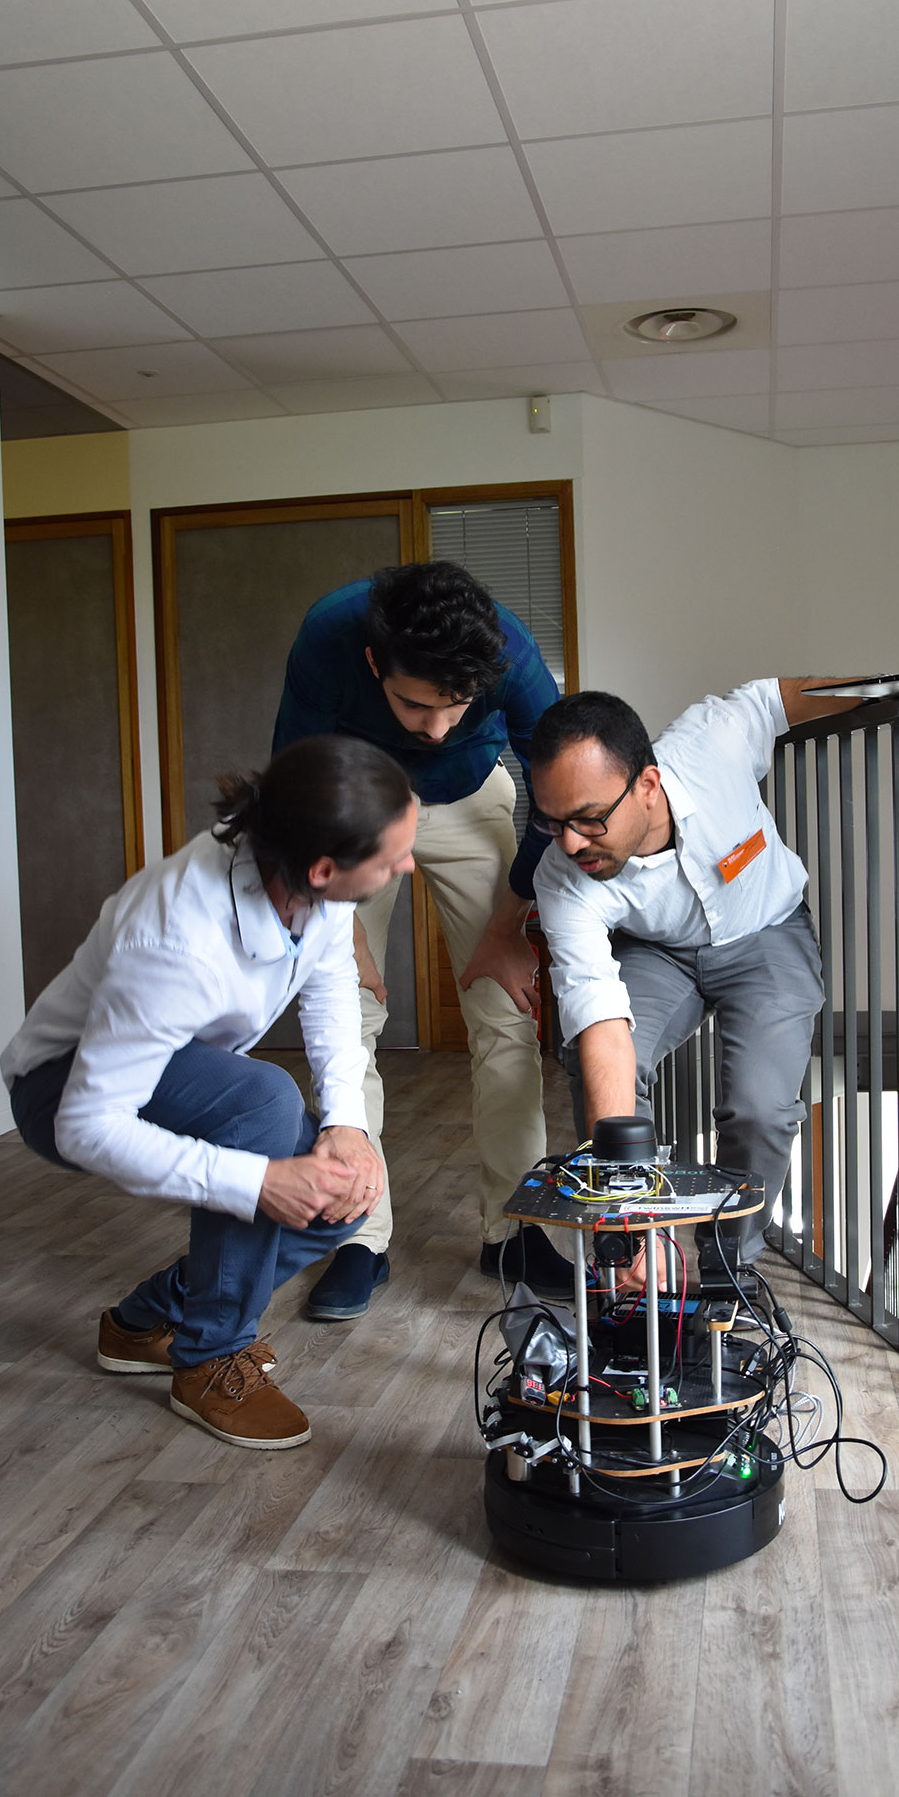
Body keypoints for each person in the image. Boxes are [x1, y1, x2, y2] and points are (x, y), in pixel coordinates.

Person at [1, 736, 416, 1450]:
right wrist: (259, 1181)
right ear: (324, 868)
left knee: (340, 1199)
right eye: (392, 858)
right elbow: (86, 1126)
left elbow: (328, 991)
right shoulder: (175, 935)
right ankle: (209, 1357)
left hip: (172, 1064)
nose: (406, 865)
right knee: (266, 1103)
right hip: (63, 1088)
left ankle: (144, 1323)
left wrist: (346, 1123)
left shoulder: (308, 876)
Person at [272, 560, 571, 1317]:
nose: (436, 729)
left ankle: (516, 1230)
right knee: (347, 1016)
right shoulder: (329, 634)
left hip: (472, 801)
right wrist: (344, 935)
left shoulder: (511, 652)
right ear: (375, 662)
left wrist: (508, 927)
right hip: (357, 805)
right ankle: (356, 1238)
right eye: (414, 704)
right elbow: (296, 784)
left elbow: (557, 795)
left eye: (456, 706)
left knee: (506, 1011)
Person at [529, 678, 859, 1275]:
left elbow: (779, 699)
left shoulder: (713, 744)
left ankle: (727, 1268)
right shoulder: (560, 877)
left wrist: (898, 685)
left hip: (767, 930)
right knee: (594, 1063)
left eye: (589, 819)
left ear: (647, 786)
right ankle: (640, 1245)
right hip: (660, 952)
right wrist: (629, 1223)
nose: (571, 843)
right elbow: (603, 1030)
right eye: (552, 823)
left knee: (760, 1110)